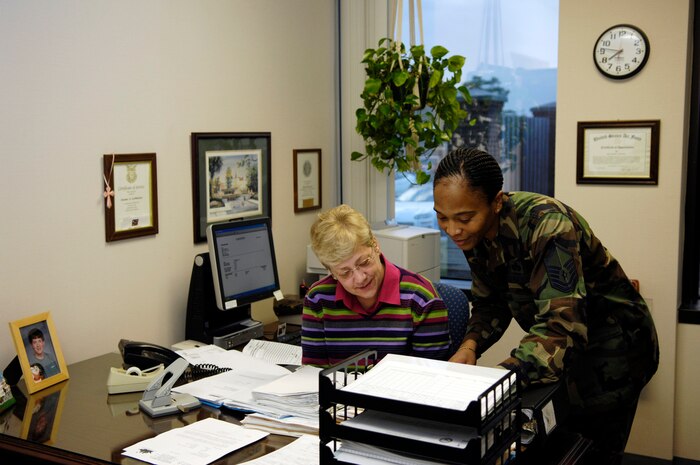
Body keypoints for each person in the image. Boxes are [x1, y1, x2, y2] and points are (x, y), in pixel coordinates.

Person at [433, 147, 659, 465]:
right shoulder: (473, 233)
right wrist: (470, 346)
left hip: (614, 349)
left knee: (590, 452)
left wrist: (497, 382)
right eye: (442, 217)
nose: (453, 230)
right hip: (560, 352)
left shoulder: (547, 224)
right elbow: (490, 303)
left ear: (496, 202)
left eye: (464, 218)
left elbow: (562, 325)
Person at [301, 204, 450, 368]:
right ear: (331, 271)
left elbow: (432, 380)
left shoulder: (421, 299)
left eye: (364, 262)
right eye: (345, 273)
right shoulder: (317, 299)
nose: (359, 278)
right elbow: (313, 377)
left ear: (375, 245)